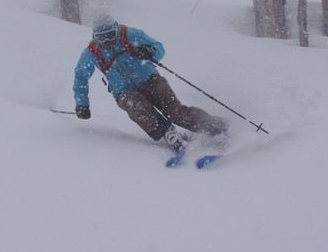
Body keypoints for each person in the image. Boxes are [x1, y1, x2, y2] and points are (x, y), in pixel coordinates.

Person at [73, 15, 228, 152]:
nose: (107, 41)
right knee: (135, 104)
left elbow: (159, 48)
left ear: (116, 30)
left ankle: (216, 127)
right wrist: (82, 104)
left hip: (150, 81)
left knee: (176, 112)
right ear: (95, 36)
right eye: (102, 37)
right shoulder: (92, 52)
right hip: (124, 91)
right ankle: (168, 134)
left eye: (110, 35)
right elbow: (81, 77)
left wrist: (150, 51)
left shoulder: (130, 34)